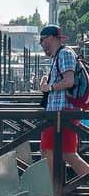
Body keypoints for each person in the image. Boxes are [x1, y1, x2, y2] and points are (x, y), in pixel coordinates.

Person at [38, 23, 89, 181]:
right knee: (50, 150)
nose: (41, 44)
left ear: (52, 38)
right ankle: (57, 192)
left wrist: (50, 87)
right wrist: (47, 83)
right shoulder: (58, 57)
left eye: (42, 40)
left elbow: (69, 81)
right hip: (57, 114)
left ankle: (57, 193)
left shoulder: (64, 54)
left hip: (64, 113)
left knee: (61, 152)